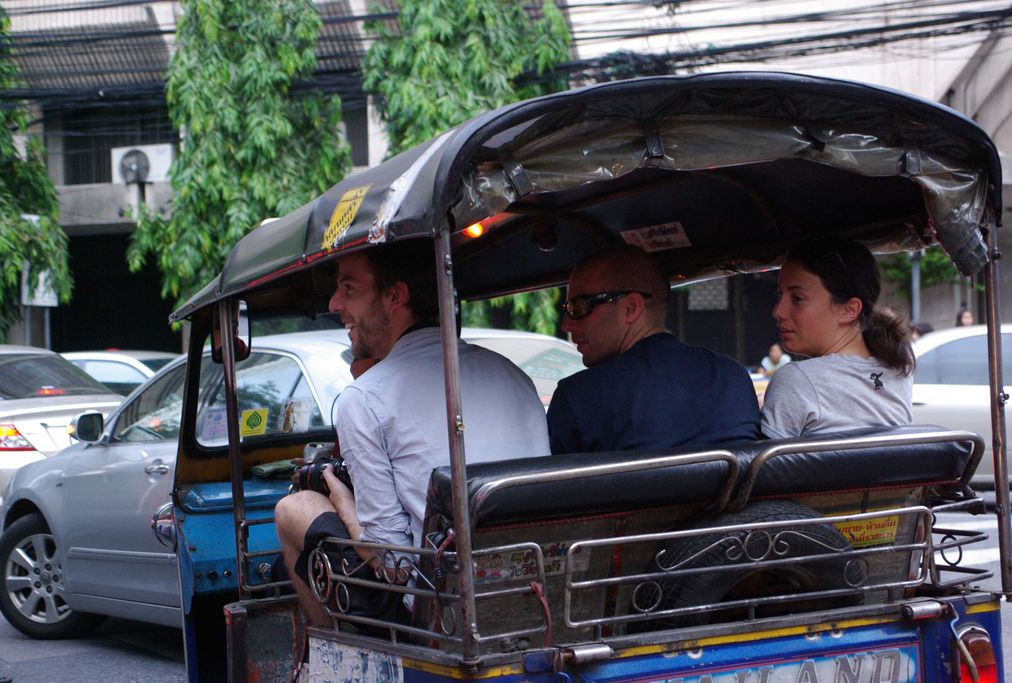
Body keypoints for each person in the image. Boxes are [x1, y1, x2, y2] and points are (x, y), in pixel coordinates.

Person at [275, 240, 549, 627]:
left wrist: (342, 500)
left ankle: (330, 655)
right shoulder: (514, 375)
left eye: (349, 288)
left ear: (395, 296)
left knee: (292, 509)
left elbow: (394, 564)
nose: (335, 303)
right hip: (535, 592)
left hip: (440, 612)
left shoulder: (365, 397)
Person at [547, 245, 761, 454]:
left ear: (630, 308)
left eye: (580, 306)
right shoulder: (732, 376)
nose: (566, 324)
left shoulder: (579, 397)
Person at [761, 236, 914, 439]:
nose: (778, 311)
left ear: (849, 310)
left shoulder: (796, 380)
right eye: (780, 295)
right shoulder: (899, 367)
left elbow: (762, 469)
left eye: (797, 299)